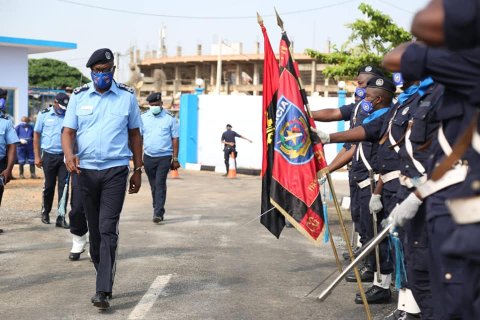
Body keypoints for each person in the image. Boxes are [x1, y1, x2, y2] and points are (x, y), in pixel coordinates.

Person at [62, 48, 143, 310]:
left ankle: (103, 290)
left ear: (113, 71)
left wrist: (138, 169)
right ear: (91, 72)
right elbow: (68, 131)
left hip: (115, 171)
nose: (101, 76)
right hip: (85, 172)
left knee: (108, 228)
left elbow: (135, 135)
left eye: (106, 71)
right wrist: (68, 155)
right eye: (97, 71)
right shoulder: (78, 97)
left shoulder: (127, 97)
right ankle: (101, 267)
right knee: (95, 231)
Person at [313, 65, 384, 260]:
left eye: (361, 83)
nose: (357, 86)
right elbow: (335, 113)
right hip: (357, 172)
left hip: (370, 174)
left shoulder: (375, 112)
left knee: (371, 224)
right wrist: (306, 114)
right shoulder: (359, 107)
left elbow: (356, 146)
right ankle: (364, 257)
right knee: (359, 217)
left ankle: (372, 267)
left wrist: (328, 169)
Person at [141, 92, 180, 223]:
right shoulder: (143, 118)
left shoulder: (170, 118)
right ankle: (157, 205)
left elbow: (175, 139)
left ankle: (158, 212)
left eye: (156, 105)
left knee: (160, 183)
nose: (154, 107)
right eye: (152, 105)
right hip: (148, 157)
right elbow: (139, 138)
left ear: (161, 104)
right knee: (153, 185)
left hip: (164, 157)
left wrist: (175, 158)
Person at [34, 92, 69, 228]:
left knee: (64, 187)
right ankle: (45, 212)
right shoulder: (44, 114)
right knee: (49, 186)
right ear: (55, 102)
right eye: (60, 106)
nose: (62, 109)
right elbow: (36, 135)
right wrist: (37, 156)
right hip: (48, 155)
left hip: (64, 156)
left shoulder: (68, 115)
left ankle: (61, 216)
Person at [0, 88, 19, 233]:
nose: (2, 100)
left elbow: (12, 146)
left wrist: (9, 169)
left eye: (4, 97)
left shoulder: (6, 121)